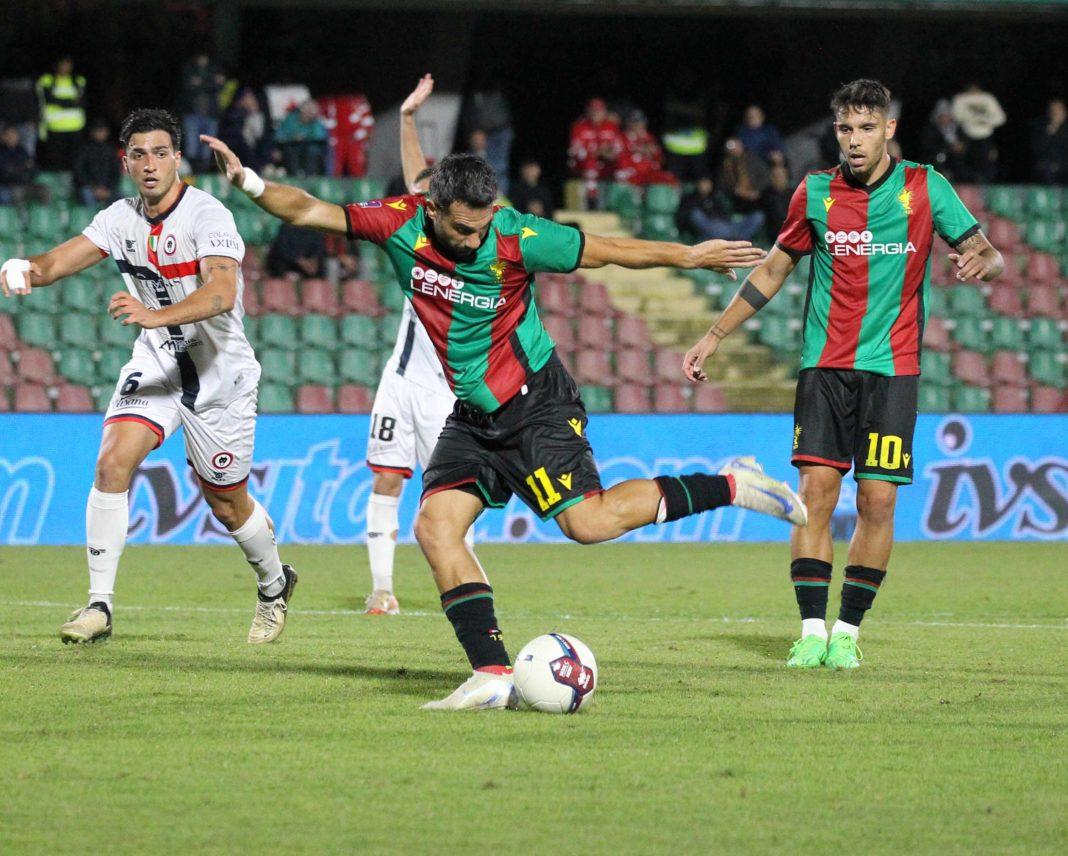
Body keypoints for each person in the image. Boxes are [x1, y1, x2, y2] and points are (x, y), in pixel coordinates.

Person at [202, 97, 808, 712]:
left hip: (535, 401)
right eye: (463, 226)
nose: (476, 236)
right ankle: (491, 673)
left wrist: (689, 255)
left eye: (483, 223)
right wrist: (246, 181)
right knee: (436, 527)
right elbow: (308, 207)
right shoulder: (399, 222)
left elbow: (604, 249)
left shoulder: (516, 234)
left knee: (589, 525)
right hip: (473, 415)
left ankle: (731, 485)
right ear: (433, 209)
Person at [684, 79, 1003, 671]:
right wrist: (714, 336)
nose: (854, 141)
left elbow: (987, 250)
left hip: (892, 371)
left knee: (878, 503)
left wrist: (988, 260)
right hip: (824, 370)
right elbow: (776, 269)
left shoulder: (925, 187)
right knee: (815, 498)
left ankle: (848, 631)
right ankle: (810, 630)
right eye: (844, 129)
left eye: (865, 128)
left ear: (888, 130)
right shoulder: (815, 193)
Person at [0, 109, 297, 645]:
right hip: (158, 362)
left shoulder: (208, 217)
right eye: (139, 154)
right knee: (112, 459)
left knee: (227, 503)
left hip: (219, 376)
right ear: (126, 161)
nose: (150, 163)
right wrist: (22, 268)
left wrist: (154, 315)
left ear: (177, 159)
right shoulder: (119, 219)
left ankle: (275, 583)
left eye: (161, 152)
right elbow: (54, 263)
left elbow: (222, 293)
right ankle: (98, 606)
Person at [355, 74, 467, 616]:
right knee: (386, 477)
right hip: (401, 380)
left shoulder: (483, 249)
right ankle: (382, 589)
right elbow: (416, 176)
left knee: (451, 498)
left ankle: (467, 584)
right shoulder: (423, 231)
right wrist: (404, 118)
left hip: (449, 393)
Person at [568, 98, 623, 207]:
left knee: (622, 165)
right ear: (588, 111)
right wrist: (597, 152)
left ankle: (617, 204)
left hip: (606, 163)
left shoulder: (611, 126)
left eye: (599, 110)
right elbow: (576, 151)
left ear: (605, 112)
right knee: (590, 164)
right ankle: (592, 200)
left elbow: (618, 148)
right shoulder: (579, 126)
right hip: (582, 165)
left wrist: (610, 154)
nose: (596, 113)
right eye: (593, 110)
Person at [676, 175, 762, 242]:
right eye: (703, 182)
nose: (705, 185)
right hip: (708, 227)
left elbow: (727, 214)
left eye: (708, 182)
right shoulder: (690, 198)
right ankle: (734, 239)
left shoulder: (716, 197)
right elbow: (689, 218)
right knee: (700, 216)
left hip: (727, 226)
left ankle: (732, 238)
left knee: (758, 216)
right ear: (698, 184)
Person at [36, 56, 86, 171]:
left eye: (68, 64)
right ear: (57, 65)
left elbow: (82, 101)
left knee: (74, 160)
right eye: (63, 64)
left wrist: (60, 101)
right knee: (55, 159)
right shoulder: (47, 80)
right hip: (55, 127)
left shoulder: (78, 80)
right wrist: (70, 101)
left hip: (75, 126)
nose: (65, 67)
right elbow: (49, 99)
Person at [180, 53, 227, 172]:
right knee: (192, 148)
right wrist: (211, 82)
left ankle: (203, 172)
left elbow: (221, 85)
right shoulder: (189, 68)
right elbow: (186, 86)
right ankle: (194, 173)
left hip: (211, 114)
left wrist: (201, 83)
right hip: (192, 113)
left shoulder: (215, 67)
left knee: (207, 150)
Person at [951, 83, 1005, 183]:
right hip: (967, 135)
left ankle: (987, 186)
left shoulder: (988, 98)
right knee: (965, 164)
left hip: (986, 135)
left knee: (988, 163)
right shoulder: (961, 98)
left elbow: (1000, 118)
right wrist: (971, 119)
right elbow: (956, 116)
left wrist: (986, 121)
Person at [218, 88, 273, 173]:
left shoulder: (261, 117)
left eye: (251, 99)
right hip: (241, 158)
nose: (249, 101)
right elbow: (233, 139)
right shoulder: (233, 117)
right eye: (246, 98)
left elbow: (262, 138)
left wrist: (253, 112)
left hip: (258, 158)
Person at [615, 109, 675, 186]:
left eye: (640, 122)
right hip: (631, 174)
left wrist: (650, 150)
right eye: (635, 123)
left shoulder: (649, 138)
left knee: (669, 179)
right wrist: (639, 150)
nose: (638, 125)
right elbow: (619, 158)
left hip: (648, 174)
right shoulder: (622, 137)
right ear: (628, 124)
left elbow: (660, 159)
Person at [74, 118, 122, 208]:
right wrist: (94, 188)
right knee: (86, 195)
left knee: (123, 200)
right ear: (92, 132)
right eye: (97, 131)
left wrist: (108, 189)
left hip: (107, 189)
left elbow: (116, 172)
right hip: (89, 189)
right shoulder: (84, 150)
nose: (100, 133)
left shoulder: (111, 151)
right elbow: (79, 172)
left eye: (102, 131)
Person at [275, 100, 328, 176]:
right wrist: (292, 137)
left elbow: (319, 136)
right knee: (291, 152)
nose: (308, 113)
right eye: (307, 110)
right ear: (301, 110)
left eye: (311, 111)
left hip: (309, 148)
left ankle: (309, 179)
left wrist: (305, 136)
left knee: (312, 152)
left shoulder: (316, 121)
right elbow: (279, 135)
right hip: (291, 147)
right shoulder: (291, 118)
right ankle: (293, 178)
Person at [718, 136, 769, 216]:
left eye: (736, 146)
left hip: (757, 194)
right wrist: (735, 190)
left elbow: (765, 176)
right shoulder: (726, 165)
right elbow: (722, 184)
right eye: (731, 148)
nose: (734, 150)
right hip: (738, 197)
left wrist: (756, 191)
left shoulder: (752, 159)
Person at [0, 124, 40, 205]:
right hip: (8, 186)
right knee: (13, 194)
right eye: (9, 135)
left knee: (44, 191)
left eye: (14, 135)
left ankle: (43, 216)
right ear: (3, 137)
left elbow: (34, 169)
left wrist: (20, 168)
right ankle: (21, 216)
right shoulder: (1, 152)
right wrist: (23, 166)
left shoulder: (22, 150)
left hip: (24, 183)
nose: (12, 138)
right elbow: (4, 172)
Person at [1031, 98, 1068, 185]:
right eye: (1053, 110)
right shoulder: (1041, 128)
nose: (1055, 113)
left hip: (1064, 164)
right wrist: (1050, 131)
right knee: (1048, 172)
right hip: (1048, 167)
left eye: (1058, 110)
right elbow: (1038, 150)